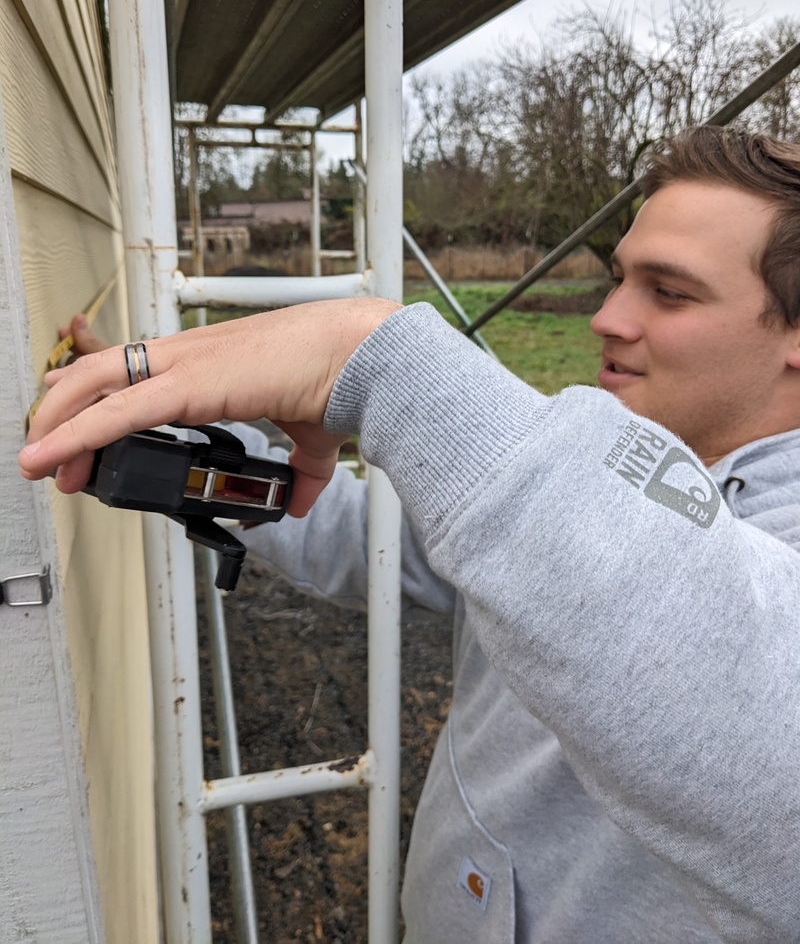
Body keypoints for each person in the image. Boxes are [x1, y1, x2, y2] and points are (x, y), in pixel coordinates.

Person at [19, 126, 800, 943]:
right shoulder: (590, 477)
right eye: (619, 279)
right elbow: (363, 534)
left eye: (668, 292)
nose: (607, 316)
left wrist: (380, 362)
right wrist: (180, 445)